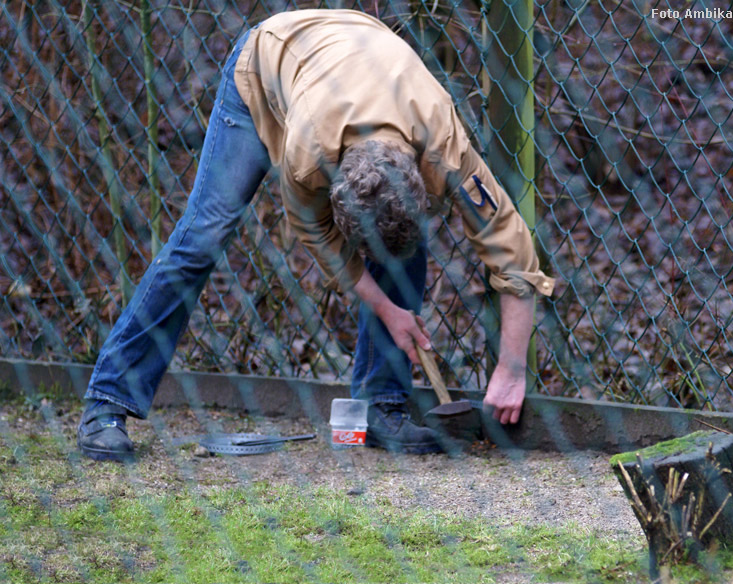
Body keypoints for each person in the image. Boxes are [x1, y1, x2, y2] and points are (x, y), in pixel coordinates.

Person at [77, 9, 554, 461]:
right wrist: (388, 309)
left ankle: (380, 409)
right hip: (266, 67)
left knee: (399, 243)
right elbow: (315, 234)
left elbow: (509, 246)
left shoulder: (444, 144)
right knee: (204, 234)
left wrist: (511, 369)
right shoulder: (307, 155)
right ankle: (107, 401)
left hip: (360, 53)